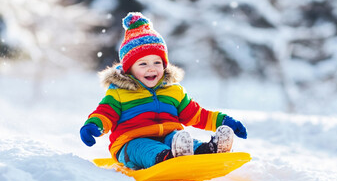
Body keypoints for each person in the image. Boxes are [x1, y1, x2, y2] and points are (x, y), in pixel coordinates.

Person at [80, 12, 247, 169]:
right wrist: (94, 126)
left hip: (169, 138)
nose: (151, 69)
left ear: (164, 64)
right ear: (129, 69)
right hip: (130, 143)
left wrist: (224, 121)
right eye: (143, 64)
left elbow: (197, 114)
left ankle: (209, 150)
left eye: (157, 63)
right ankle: (167, 158)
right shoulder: (118, 93)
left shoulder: (173, 91)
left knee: (179, 138)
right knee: (144, 147)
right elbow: (105, 114)